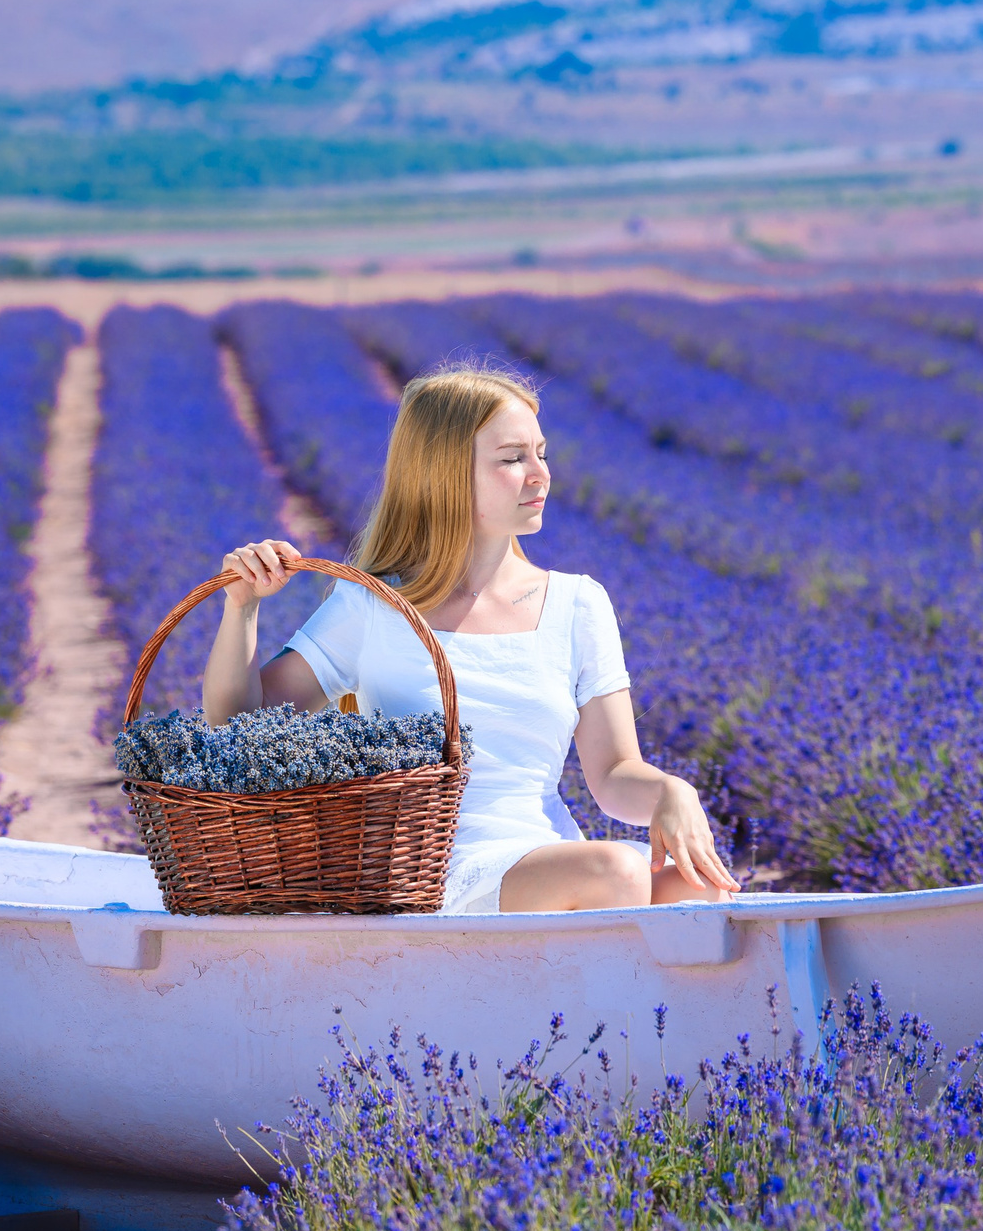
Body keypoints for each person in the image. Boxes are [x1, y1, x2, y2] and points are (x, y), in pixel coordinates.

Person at [202, 364, 738, 914]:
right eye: (512, 459)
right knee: (616, 870)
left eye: (541, 453)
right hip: (426, 871)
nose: (539, 475)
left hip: (547, 861)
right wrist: (241, 609)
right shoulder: (372, 605)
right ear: (444, 474)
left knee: (700, 887)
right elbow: (235, 728)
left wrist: (674, 792)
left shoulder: (579, 604)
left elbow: (611, 775)